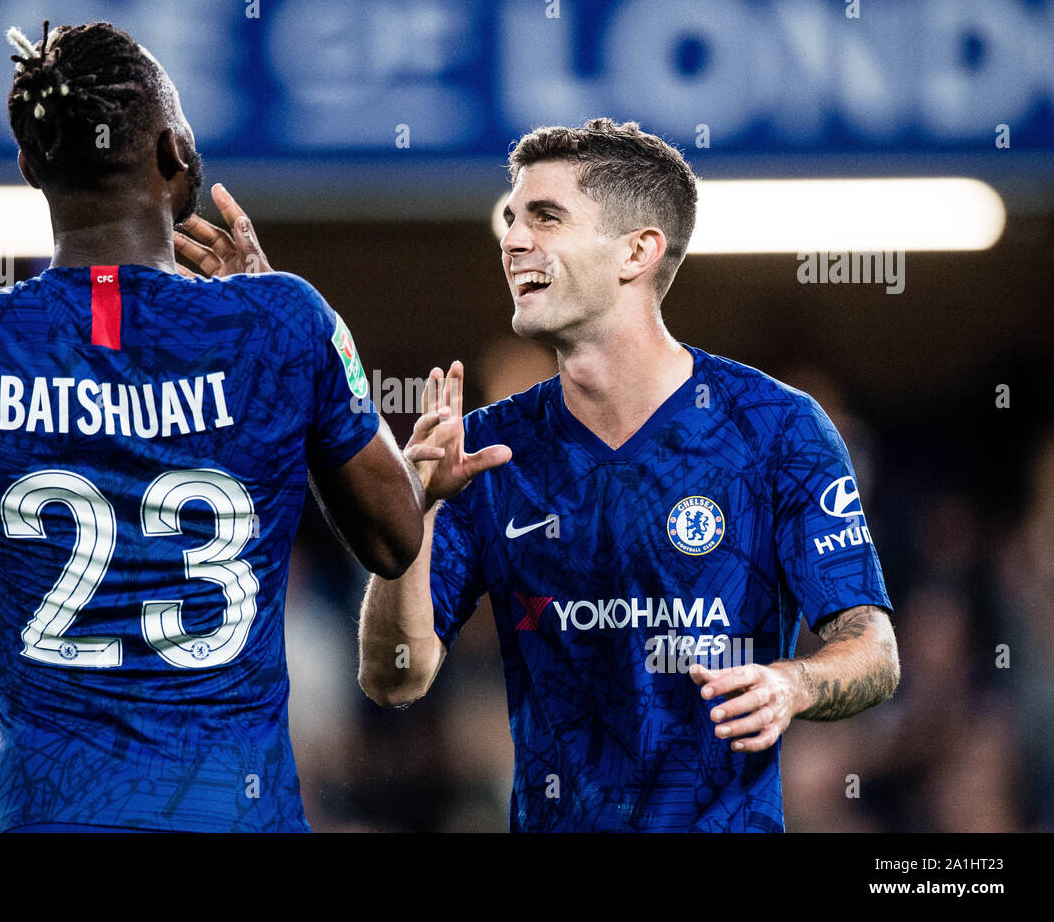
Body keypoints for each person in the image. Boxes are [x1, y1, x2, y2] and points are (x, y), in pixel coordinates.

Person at [0, 21, 425, 832]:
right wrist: (274, 320)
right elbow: (394, 536)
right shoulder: (281, 323)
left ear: (29, 168)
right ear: (176, 153)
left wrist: (40, 609)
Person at [357, 118, 901, 831]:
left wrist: (791, 682)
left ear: (637, 251)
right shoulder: (484, 452)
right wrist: (414, 518)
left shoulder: (777, 430)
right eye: (512, 218)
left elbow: (876, 651)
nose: (513, 239)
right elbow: (395, 676)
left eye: (546, 218)